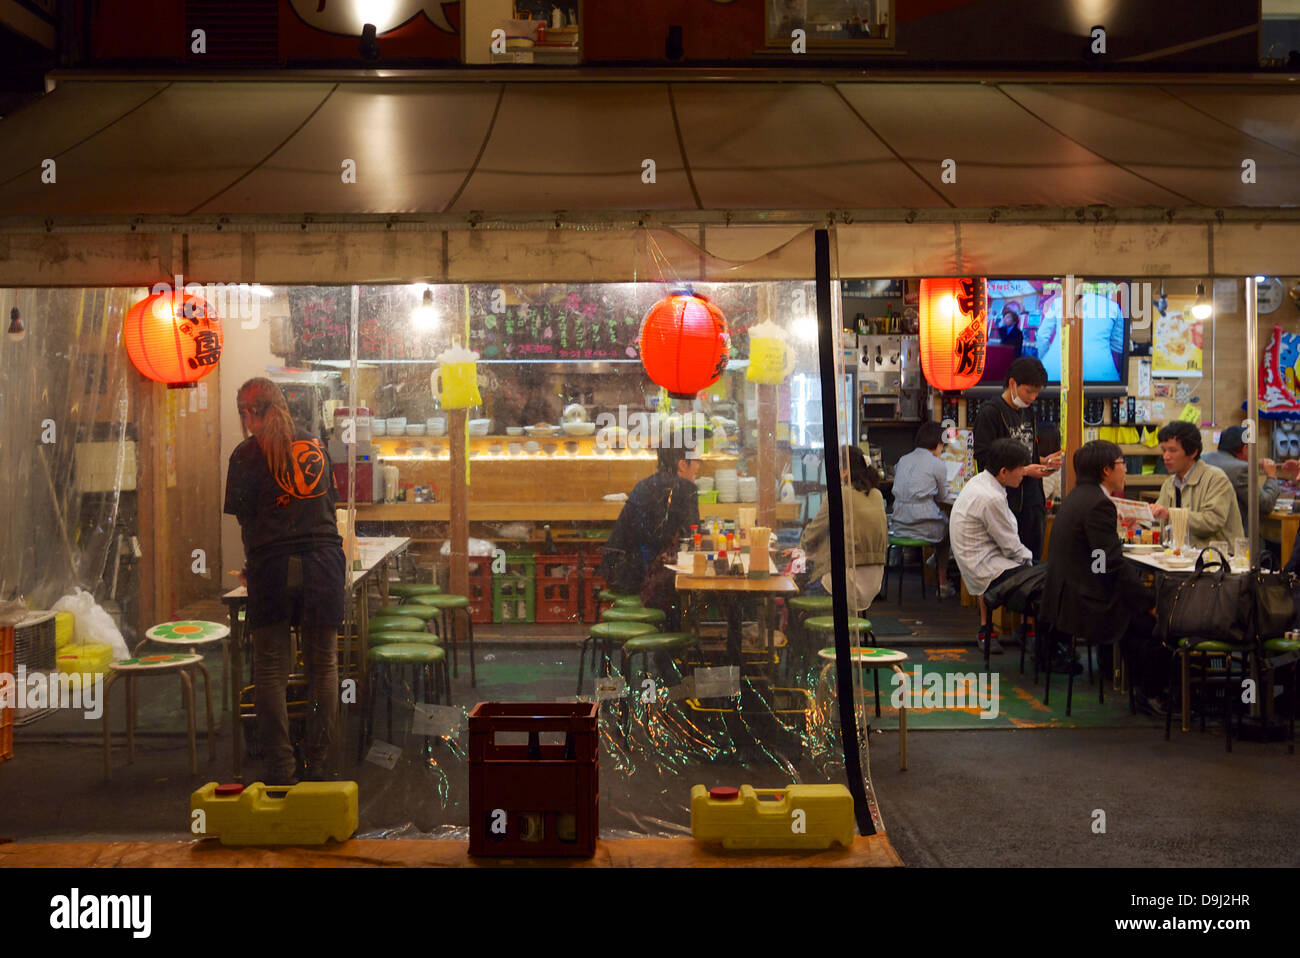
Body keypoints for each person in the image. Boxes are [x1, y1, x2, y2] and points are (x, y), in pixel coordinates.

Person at [224, 378, 347, 784]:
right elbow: (328, 506)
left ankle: (281, 768)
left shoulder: (244, 455)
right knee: (323, 668)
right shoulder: (314, 443)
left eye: (243, 413)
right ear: (283, 404)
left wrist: (251, 567)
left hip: (272, 566)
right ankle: (320, 763)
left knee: (272, 670)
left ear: (247, 412)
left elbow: (247, 525)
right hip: (323, 563)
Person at [1038, 440, 1164, 707]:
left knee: (1135, 602)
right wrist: (1150, 603)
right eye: (1122, 464)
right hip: (1085, 605)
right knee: (1158, 621)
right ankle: (1152, 693)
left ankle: (1119, 675)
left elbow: (1102, 560)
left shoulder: (1078, 497)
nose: (1125, 470)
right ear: (1106, 470)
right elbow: (1110, 564)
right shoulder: (1098, 504)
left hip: (1064, 598)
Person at [600, 433, 700, 624]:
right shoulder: (686, 488)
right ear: (682, 464)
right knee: (685, 589)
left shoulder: (644, 485)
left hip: (619, 573)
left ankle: (669, 646)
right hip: (642, 578)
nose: (698, 467)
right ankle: (673, 648)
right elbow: (694, 536)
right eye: (696, 461)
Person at [972, 356, 1062, 562]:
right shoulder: (991, 413)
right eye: (1028, 391)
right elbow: (985, 460)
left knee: (1033, 559)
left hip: (1033, 501)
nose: (1032, 397)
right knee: (1009, 563)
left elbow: (1029, 454)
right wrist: (1024, 470)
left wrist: (1045, 462)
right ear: (1012, 383)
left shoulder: (1028, 413)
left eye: (1036, 392)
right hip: (1006, 503)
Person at [950, 438, 1035, 654]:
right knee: (1046, 580)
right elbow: (1011, 547)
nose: (1023, 473)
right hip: (984, 565)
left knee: (1038, 572)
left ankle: (1019, 629)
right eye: (1020, 469)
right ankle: (1032, 634)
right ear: (1004, 471)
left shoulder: (981, 481)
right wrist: (1031, 563)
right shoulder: (991, 498)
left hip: (977, 558)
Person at [800, 446, 889, 611]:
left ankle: (824, 635)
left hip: (843, 583)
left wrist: (802, 545)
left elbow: (814, 532)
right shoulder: (876, 494)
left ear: (843, 471)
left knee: (796, 595)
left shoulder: (839, 494)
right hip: (873, 583)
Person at [1149, 420, 1243, 549]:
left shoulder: (1216, 479)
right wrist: (1141, 522)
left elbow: (1212, 521)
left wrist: (1171, 514)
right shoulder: (1169, 484)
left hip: (1214, 560)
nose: (1166, 456)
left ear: (1193, 452)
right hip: (1179, 558)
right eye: (1164, 450)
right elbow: (1160, 521)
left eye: (1172, 450)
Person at [889, 421, 955, 597]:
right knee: (952, 528)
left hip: (898, 525)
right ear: (938, 443)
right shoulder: (937, 464)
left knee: (944, 527)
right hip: (924, 526)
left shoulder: (903, 459)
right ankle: (942, 582)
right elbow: (943, 497)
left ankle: (936, 562)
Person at [1201, 424, 1295, 527]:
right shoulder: (1242, 469)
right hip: (1233, 535)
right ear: (1245, 449)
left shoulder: (1204, 459)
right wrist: (1271, 475)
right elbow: (1265, 505)